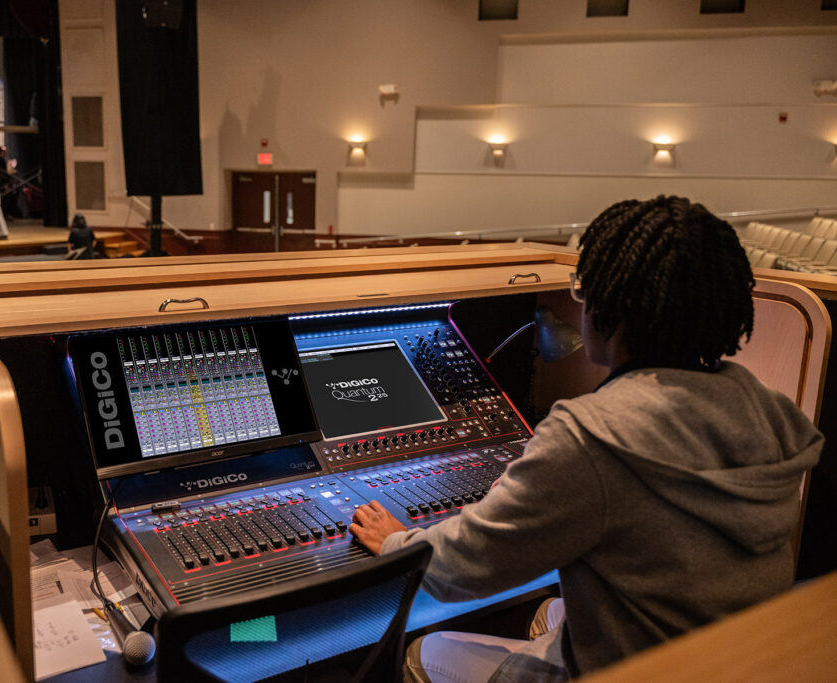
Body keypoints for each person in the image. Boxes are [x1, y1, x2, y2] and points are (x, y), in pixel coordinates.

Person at [350, 195, 823, 682]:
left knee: (423, 651)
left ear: (610, 309)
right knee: (550, 614)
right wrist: (542, 489)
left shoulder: (591, 437)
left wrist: (396, 544)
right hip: (732, 657)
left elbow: (463, 568)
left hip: (647, 669)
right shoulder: (768, 409)